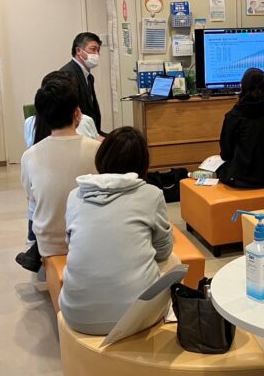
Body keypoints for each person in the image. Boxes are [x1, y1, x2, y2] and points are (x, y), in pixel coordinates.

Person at [59, 127, 177, 335]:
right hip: (137, 317)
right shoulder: (151, 194)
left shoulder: (75, 195)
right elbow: (163, 252)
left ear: (102, 157)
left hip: (76, 315)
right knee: (174, 262)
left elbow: (70, 244)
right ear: (143, 162)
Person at [16, 71, 102, 272]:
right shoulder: (98, 150)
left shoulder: (29, 156)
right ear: (77, 113)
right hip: (90, 239)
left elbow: (32, 200)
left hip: (48, 244)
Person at [216, 68, 264, 188]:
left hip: (245, 178)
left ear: (242, 86)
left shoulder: (234, 116)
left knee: (219, 168)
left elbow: (226, 152)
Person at [60, 32, 103, 134]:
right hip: (76, 133)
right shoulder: (68, 74)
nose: (96, 54)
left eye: (98, 50)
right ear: (79, 51)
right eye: (93, 49)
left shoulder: (89, 77)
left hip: (91, 131)